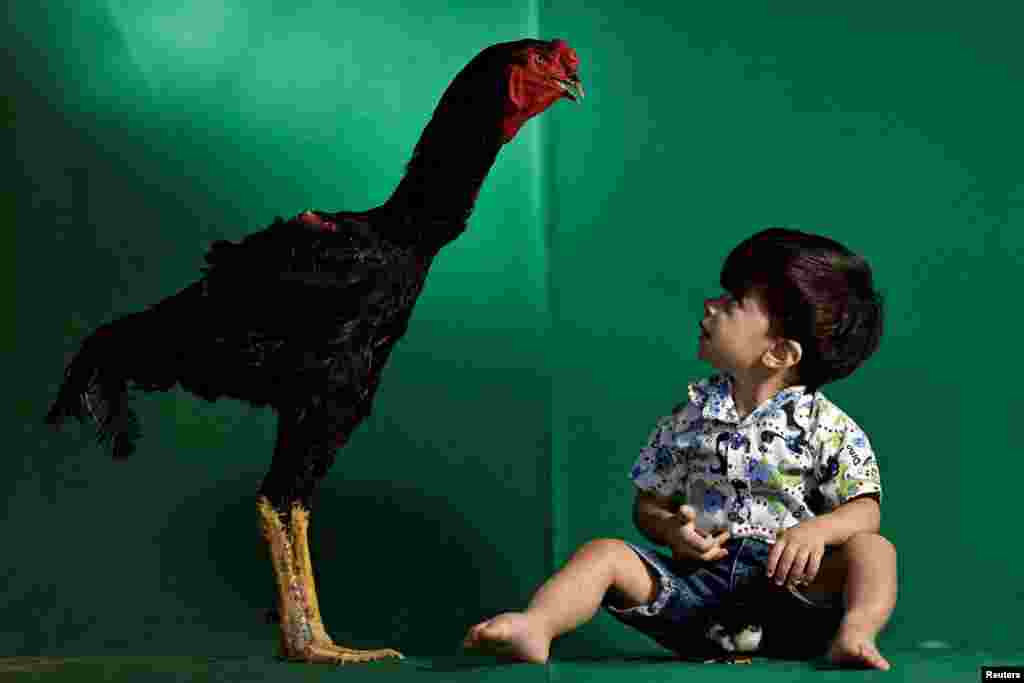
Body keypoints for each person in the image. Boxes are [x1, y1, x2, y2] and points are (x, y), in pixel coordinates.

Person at [462, 228, 896, 670]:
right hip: (697, 592)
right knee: (604, 553)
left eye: (734, 302)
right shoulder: (689, 416)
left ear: (780, 353)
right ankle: (537, 626)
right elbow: (647, 506)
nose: (712, 305)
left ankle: (855, 632)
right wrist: (672, 532)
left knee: (874, 550)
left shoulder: (827, 426)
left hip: (788, 593)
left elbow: (866, 510)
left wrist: (817, 532)